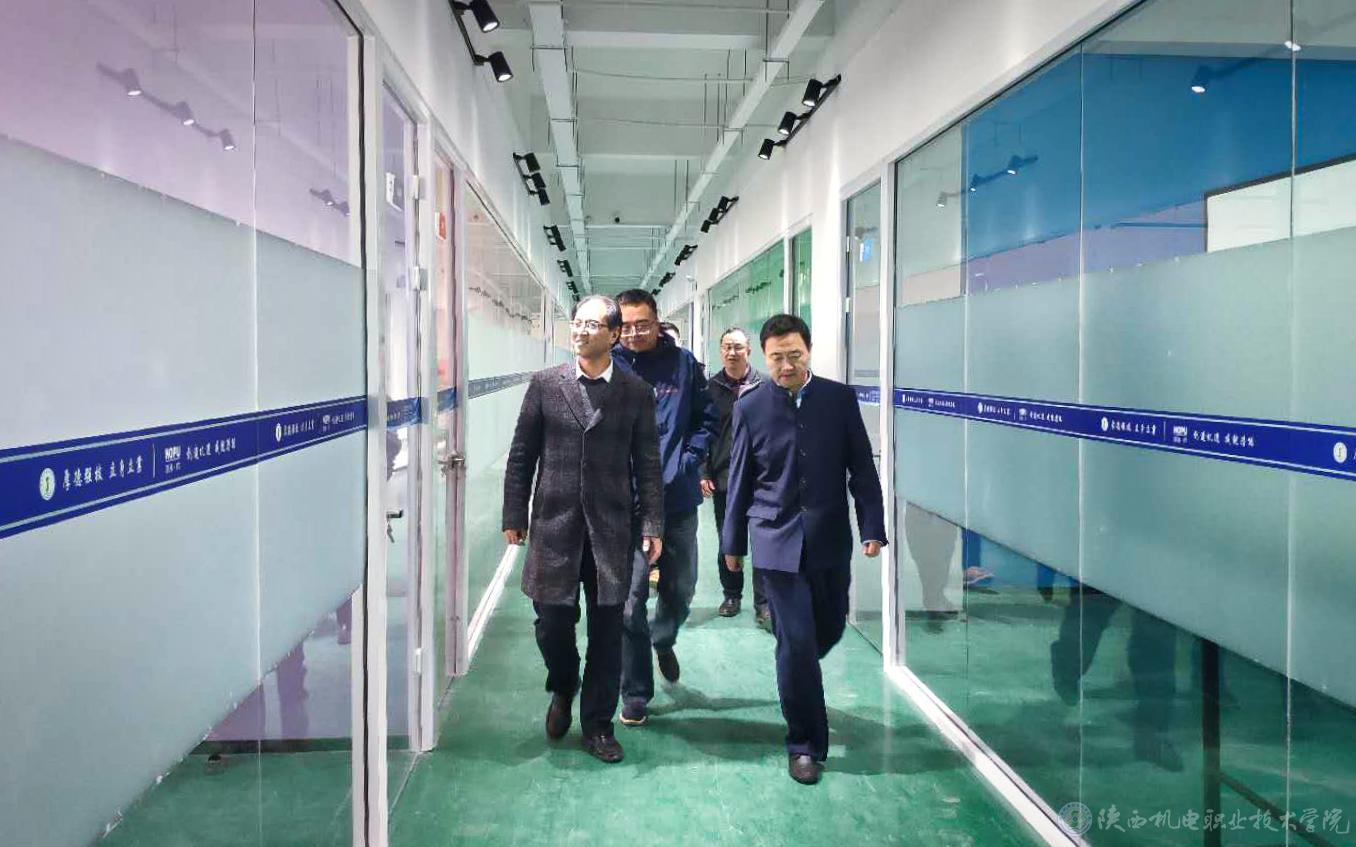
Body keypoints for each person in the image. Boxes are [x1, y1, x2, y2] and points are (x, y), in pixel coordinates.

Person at [722, 313, 886, 785]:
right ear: (765, 357)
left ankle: (798, 672)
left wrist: (872, 526)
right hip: (774, 539)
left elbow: (861, 468)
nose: (786, 365)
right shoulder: (750, 407)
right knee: (795, 644)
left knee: (827, 629)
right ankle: (805, 744)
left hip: (829, 537)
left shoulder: (839, 399)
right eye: (777, 358)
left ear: (808, 351)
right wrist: (732, 543)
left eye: (794, 355)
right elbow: (740, 478)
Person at [502, 294, 664, 763]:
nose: (580, 330)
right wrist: (514, 513)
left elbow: (647, 465)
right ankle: (564, 681)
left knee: (608, 632)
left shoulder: (635, 392)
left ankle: (597, 726)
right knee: (551, 623)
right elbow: (521, 455)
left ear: (614, 335)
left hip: (611, 529)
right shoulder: (545, 384)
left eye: (592, 324)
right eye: (577, 322)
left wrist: (652, 523)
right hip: (554, 523)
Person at [612, 289, 719, 727]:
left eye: (643, 324)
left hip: (676, 499)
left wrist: (689, 460)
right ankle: (635, 691)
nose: (634, 333)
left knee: (681, 587)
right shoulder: (610, 365)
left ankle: (663, 637)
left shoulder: (684, 364)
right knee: (628, 601)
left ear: (658, 322)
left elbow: (707, 418)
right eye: (626, 326)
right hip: (625, 503)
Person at [699, 327, 768, 624]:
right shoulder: (710, 389)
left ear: (748, 350)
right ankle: (732, 594)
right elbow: (702, 432)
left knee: (763, 541)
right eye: (727, 347)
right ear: (721, 351)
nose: (732, 352)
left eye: (738, 347)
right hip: (725, 476)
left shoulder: (766, 386)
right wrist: (703, 471)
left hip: (762, 479)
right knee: (728, 538)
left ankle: (764, 603)